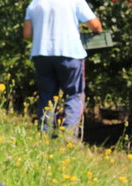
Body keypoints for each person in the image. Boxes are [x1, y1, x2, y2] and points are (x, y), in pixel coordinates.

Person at [23, 0, 102, 136]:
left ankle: (44, 134)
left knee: (46, 96)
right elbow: (95, 25)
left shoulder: (35, 3)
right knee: (74, 94)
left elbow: (27, 34)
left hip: (41, 54)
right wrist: (96, 32)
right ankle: (68, 137)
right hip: (70, 53)